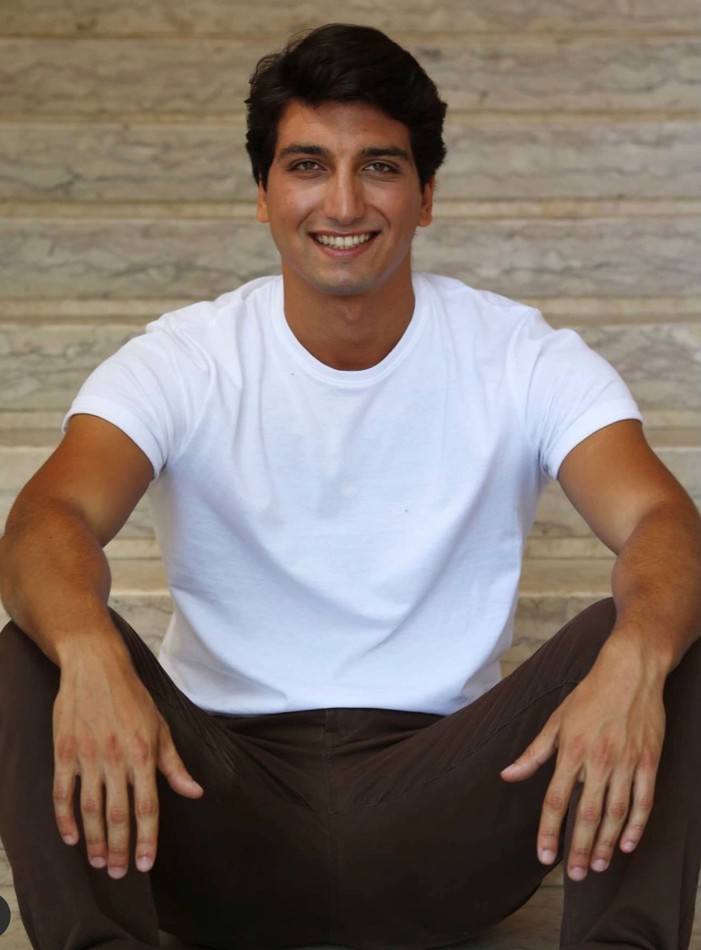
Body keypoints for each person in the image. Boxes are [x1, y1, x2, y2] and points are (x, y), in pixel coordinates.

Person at [0, 22, 700, 950]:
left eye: (378, 166)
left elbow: (660, 519)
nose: (342, 201)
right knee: (37, 645)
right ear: (263, 194)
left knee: (667, 625)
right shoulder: (184, 358)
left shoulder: (519, 355)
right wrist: (90, 652)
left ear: (425, 195)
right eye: (306, 166)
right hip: (213, 803)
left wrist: (638, 655)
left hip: (447, 811)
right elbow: (47, 517)